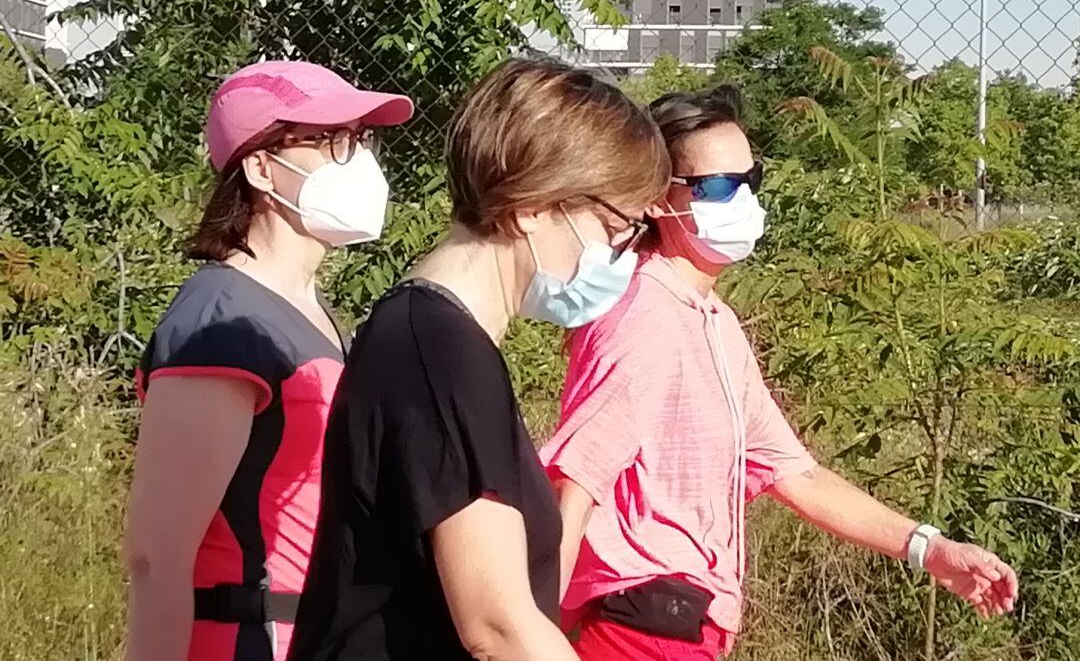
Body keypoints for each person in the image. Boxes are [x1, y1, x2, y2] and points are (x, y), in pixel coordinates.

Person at [541, 86, 1020, 661]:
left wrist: (930, 549)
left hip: (685, 626)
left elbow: (795, 474)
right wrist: (533, 631)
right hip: (643, 626)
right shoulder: (644, 313)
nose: (740, 200)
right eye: (716, 186)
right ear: (654, 199)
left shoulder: (712, 321)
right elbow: (578, 478)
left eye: (749, 180)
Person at [286, 57, 671, 661]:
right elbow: (497, 626)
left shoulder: (442, 342)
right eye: (616, 225)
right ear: (530, 206)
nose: (624, 252)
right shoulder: (437, 355)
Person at [124, 60, 414, 661]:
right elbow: (158, 557)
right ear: (260, 168)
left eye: (360, 139)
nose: (357, 158)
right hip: (243, 639)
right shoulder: (221, 322)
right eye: (332, 140)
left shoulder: (308, 310)